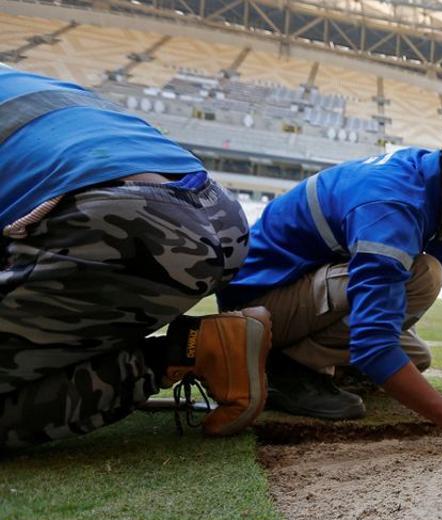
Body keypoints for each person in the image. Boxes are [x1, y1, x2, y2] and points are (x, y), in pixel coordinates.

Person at [216, 96, 442, 452]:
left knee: (414, 358)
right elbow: (372, 343)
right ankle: (283, 367)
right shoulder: (392, 207)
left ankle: (308, 362)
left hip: (289, 291)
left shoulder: (434, 186)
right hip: (254, 311)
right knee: (424, 276)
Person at [0, 66, 271, 448]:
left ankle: (177, 355)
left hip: (118, 227)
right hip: (217, 211)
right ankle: (197, 345)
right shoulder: (25, 78)